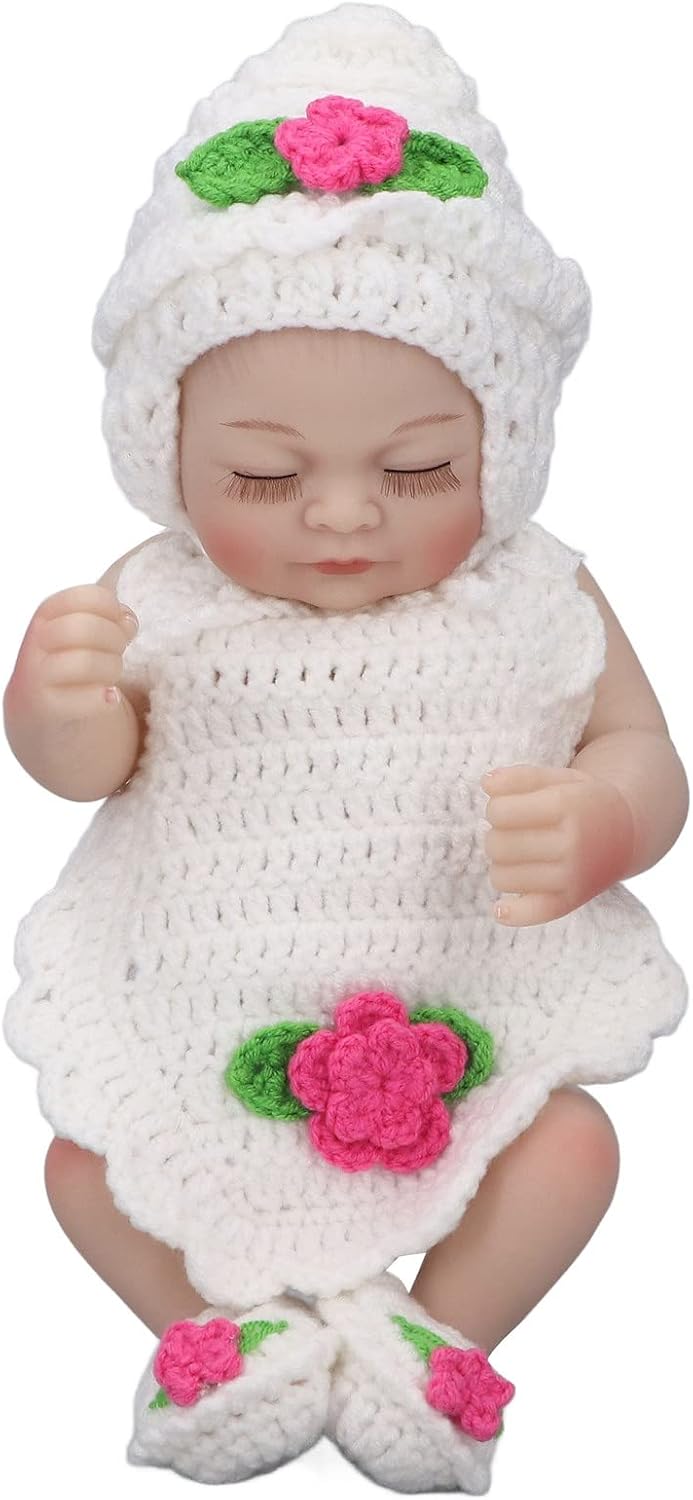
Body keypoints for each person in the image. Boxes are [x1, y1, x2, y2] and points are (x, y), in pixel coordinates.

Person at [2, 3, 688, 1491]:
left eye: (420, 468)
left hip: (465, 985)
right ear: (165, 454)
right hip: (210, 994)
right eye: (262, 474)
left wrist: (607, 819)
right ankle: (220, 1332)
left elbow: (641, 744)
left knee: (570, 1149)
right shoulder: (160, 597)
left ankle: (438, 1337)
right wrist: (54, 707)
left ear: (504, 448)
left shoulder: (539, 594)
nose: (340, 514)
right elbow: (91, 766)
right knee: (84, 1165)